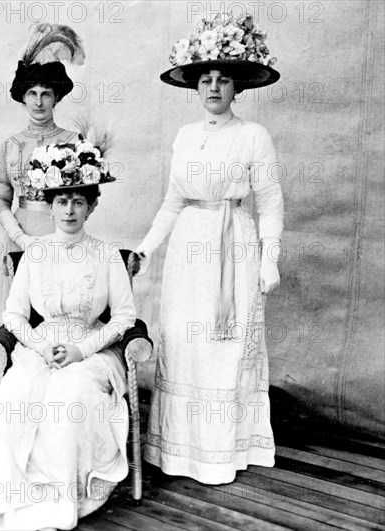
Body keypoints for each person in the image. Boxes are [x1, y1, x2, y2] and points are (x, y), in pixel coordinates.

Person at [0, 152, 133, 530]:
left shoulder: (107, 254)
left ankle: (60, 501)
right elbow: (13, 315)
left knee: (69, 401)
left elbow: (126, 316)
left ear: (92, 206)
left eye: (78, 201)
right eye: (62, 201)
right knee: (12, 401)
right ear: (49, 206)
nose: (69, 211)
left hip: (89, 349)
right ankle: (13, 500)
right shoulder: (36, 253)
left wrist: (82, 349)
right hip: (40, 347)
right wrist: (39, 346)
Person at [136, 13, 284, 485]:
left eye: (223, 80)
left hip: (233, 246)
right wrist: (143, 251)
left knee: (226, 343)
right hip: (187, 251)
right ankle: (181, 451)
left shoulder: (253, 135)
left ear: (236, 88)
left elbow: (270, 201)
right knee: (184, 342)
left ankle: (221, 452)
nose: (215, 87)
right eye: (206, 79)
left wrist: (269, 259)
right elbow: (172, 202)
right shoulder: (184, 136)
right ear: (196, 87)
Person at [0, 23, 85, 252]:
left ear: (56, 99)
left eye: (46, 94)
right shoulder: (10, 145)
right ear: (23, 98)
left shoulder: (74, 140)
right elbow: (0, 198)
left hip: (62, 235)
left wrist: (68, 230)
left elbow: (89, 197)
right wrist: (19, 237)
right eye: (32, 93)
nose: (38, 101)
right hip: (19, 235)